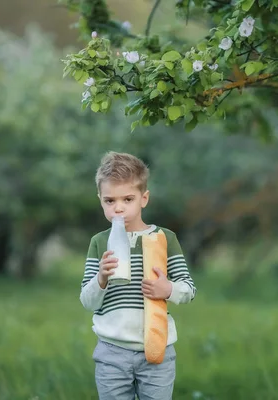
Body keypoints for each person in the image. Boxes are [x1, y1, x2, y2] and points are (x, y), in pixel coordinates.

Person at [80, 151, 197, 400]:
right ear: (100, 200)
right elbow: (87, 301)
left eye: (128, 199)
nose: (118, 208)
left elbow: (188, 289)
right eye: (110, 201)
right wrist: (100, 278)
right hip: (111, 352)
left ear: (144, 199)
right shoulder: (99, 242)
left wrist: (168, 290)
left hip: (157, 351)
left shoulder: (164, 239)